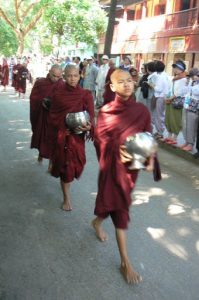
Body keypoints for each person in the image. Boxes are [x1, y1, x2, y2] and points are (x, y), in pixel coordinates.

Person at [92, 69, 161, 284]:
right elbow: (100, 140)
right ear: (112, 87)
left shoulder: (141, 110)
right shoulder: (106, 111)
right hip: (112, 168)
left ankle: (96, 222)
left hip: (131, 168)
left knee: (113, 202)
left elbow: (147, 136)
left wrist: (150, 159)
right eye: (120, 82)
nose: (127, 85)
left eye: (130, 81)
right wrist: (118, 149)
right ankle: (125, 262)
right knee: (120, 208)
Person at [49, 65, 95, 211]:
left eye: (75, 75)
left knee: (77, 166)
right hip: (63, 137)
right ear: (64, 76)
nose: (72, 79)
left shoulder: (85, 94)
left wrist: (89, 127)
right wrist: (62, 129)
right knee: (65, 168)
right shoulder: (58, 94)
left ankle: (64, 182)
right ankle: (66, 198)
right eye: (69, 76)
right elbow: (53, 116)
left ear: (80, 75)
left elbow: (91, 116)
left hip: (78, 137)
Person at [30, 64, 64, 164]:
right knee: (42, 136)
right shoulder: (40, 83)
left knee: (54, 138)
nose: (56, 79)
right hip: (42, 114)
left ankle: (52, 161)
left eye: (59, 77)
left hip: (54, 117)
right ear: (49, 72)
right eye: (54, 76)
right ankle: (41, 153)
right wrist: (42, 102)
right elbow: (33, 97)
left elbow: (65, 101)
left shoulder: (62, 85)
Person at [164, 60, 187, 144]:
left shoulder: (184, 79)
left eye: (177, 68)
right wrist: (168, 97)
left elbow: (182, 91)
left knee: (175, 119)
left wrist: (172, 97)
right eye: (174, 67)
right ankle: (169, 136)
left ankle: (175, 138)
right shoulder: (174, 78)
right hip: (170, 100)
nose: (175, 69)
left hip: (176, 101)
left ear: (182, 69)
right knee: (168, 118)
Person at [180, 68, 199, 152]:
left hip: (195, 106)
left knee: (192, 125)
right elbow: (183, 91)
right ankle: (187, 141)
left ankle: (191, 144)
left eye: (193, 76)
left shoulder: (196, 84)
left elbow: (196, 91)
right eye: (190, 76)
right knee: (185, 123)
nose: (192, 78)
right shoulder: (191, 82)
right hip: (187, 104)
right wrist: (187, 83)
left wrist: (190, 87)